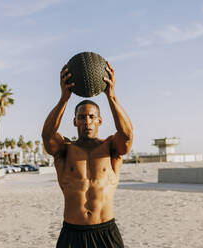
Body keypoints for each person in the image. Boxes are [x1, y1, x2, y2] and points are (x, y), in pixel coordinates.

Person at [42, 61, 133, 248]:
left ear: (99, 120)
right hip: (72, 233)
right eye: (81, 117)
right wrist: (64, 99)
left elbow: (127, 135)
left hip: (106, 232)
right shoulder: (64, 150)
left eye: (91, 117)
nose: (87, 122)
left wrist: (111, 96)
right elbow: (47, 135)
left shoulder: (111, 148)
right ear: (75, 121)